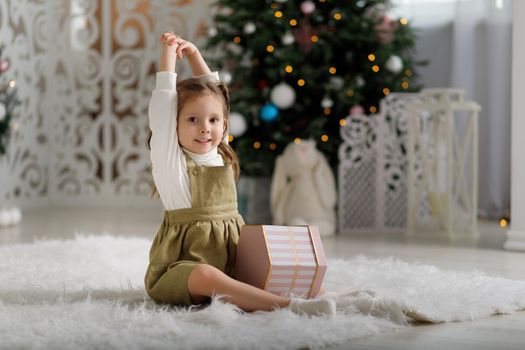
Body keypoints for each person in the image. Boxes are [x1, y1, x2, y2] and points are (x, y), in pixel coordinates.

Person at [144, 31, 335, 317]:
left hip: (233, 259)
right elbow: (162, 108)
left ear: (223, 124)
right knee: (206, 275)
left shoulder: (219, 152)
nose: (205, 128)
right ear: (174, 124)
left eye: (213, 121)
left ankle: (332, 299)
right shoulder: (172, 162)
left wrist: (195, 55)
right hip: (182, 269)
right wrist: (169, 55)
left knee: (289, 271)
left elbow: (217, 96)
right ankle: (288, 307)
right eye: (192, 120)